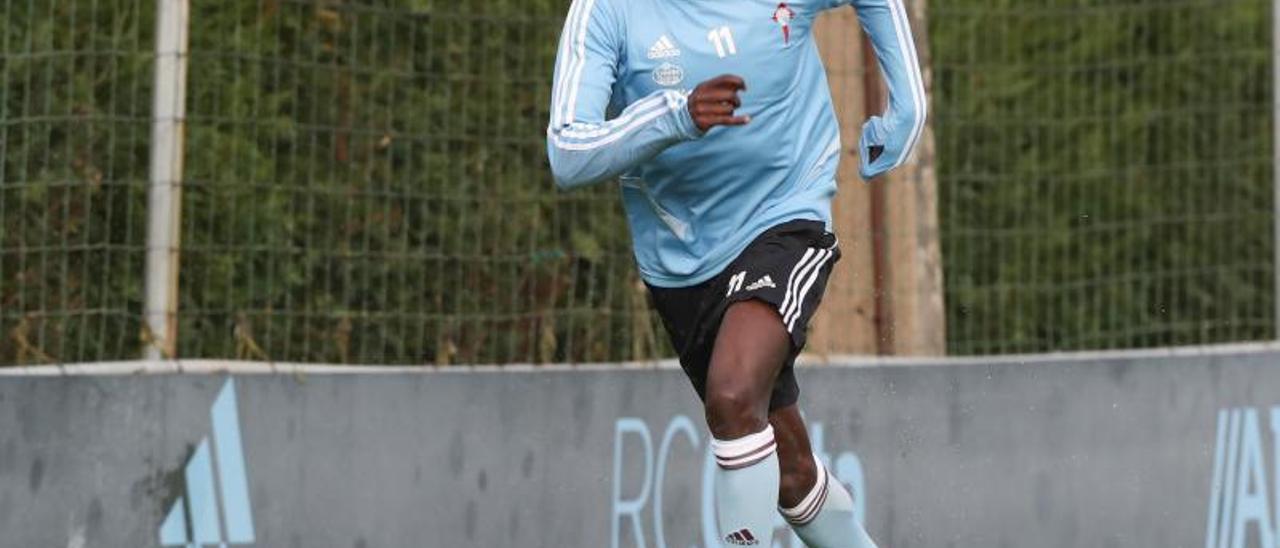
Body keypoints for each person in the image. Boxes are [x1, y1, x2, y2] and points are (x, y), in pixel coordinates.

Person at [546, 0, 925, 545]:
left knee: (731, 396)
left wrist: (907, 108)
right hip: (680, 264)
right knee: (790, 470)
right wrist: (677, 114)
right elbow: (567, 150)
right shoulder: (606, 11)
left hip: (784, 215)